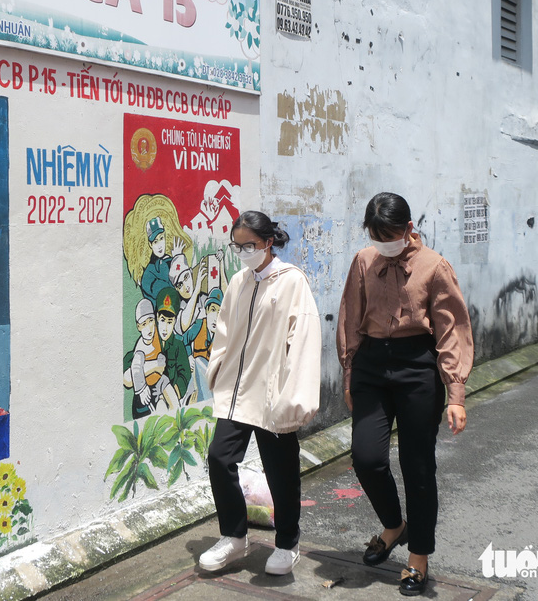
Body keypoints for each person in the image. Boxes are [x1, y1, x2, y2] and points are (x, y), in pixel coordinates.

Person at [337, 192, 473, 597]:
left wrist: (456, 394)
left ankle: (418, 557)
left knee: (418, 465)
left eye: (389, 236)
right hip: (371, 367)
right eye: (375, 236)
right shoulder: (364, 261)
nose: (383, 243)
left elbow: (452, 329)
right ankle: (394, 524)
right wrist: (349, 373)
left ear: (408, 229)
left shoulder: (434, 266)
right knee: (366, 456)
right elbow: (349, 317)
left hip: (417, 366)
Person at [200, 211, 321, 576]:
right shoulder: (239, 281)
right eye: (238, 246)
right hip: (238, 391)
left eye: (249, 245)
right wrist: (217, 369)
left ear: (269, 242)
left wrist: (295, 395)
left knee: (281, 470)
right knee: (219, 458)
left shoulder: (292, 281)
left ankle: (287, 542)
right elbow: (224, 328)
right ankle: (235, 537)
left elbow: (303, 339)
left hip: (274, 393)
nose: (244, 252)